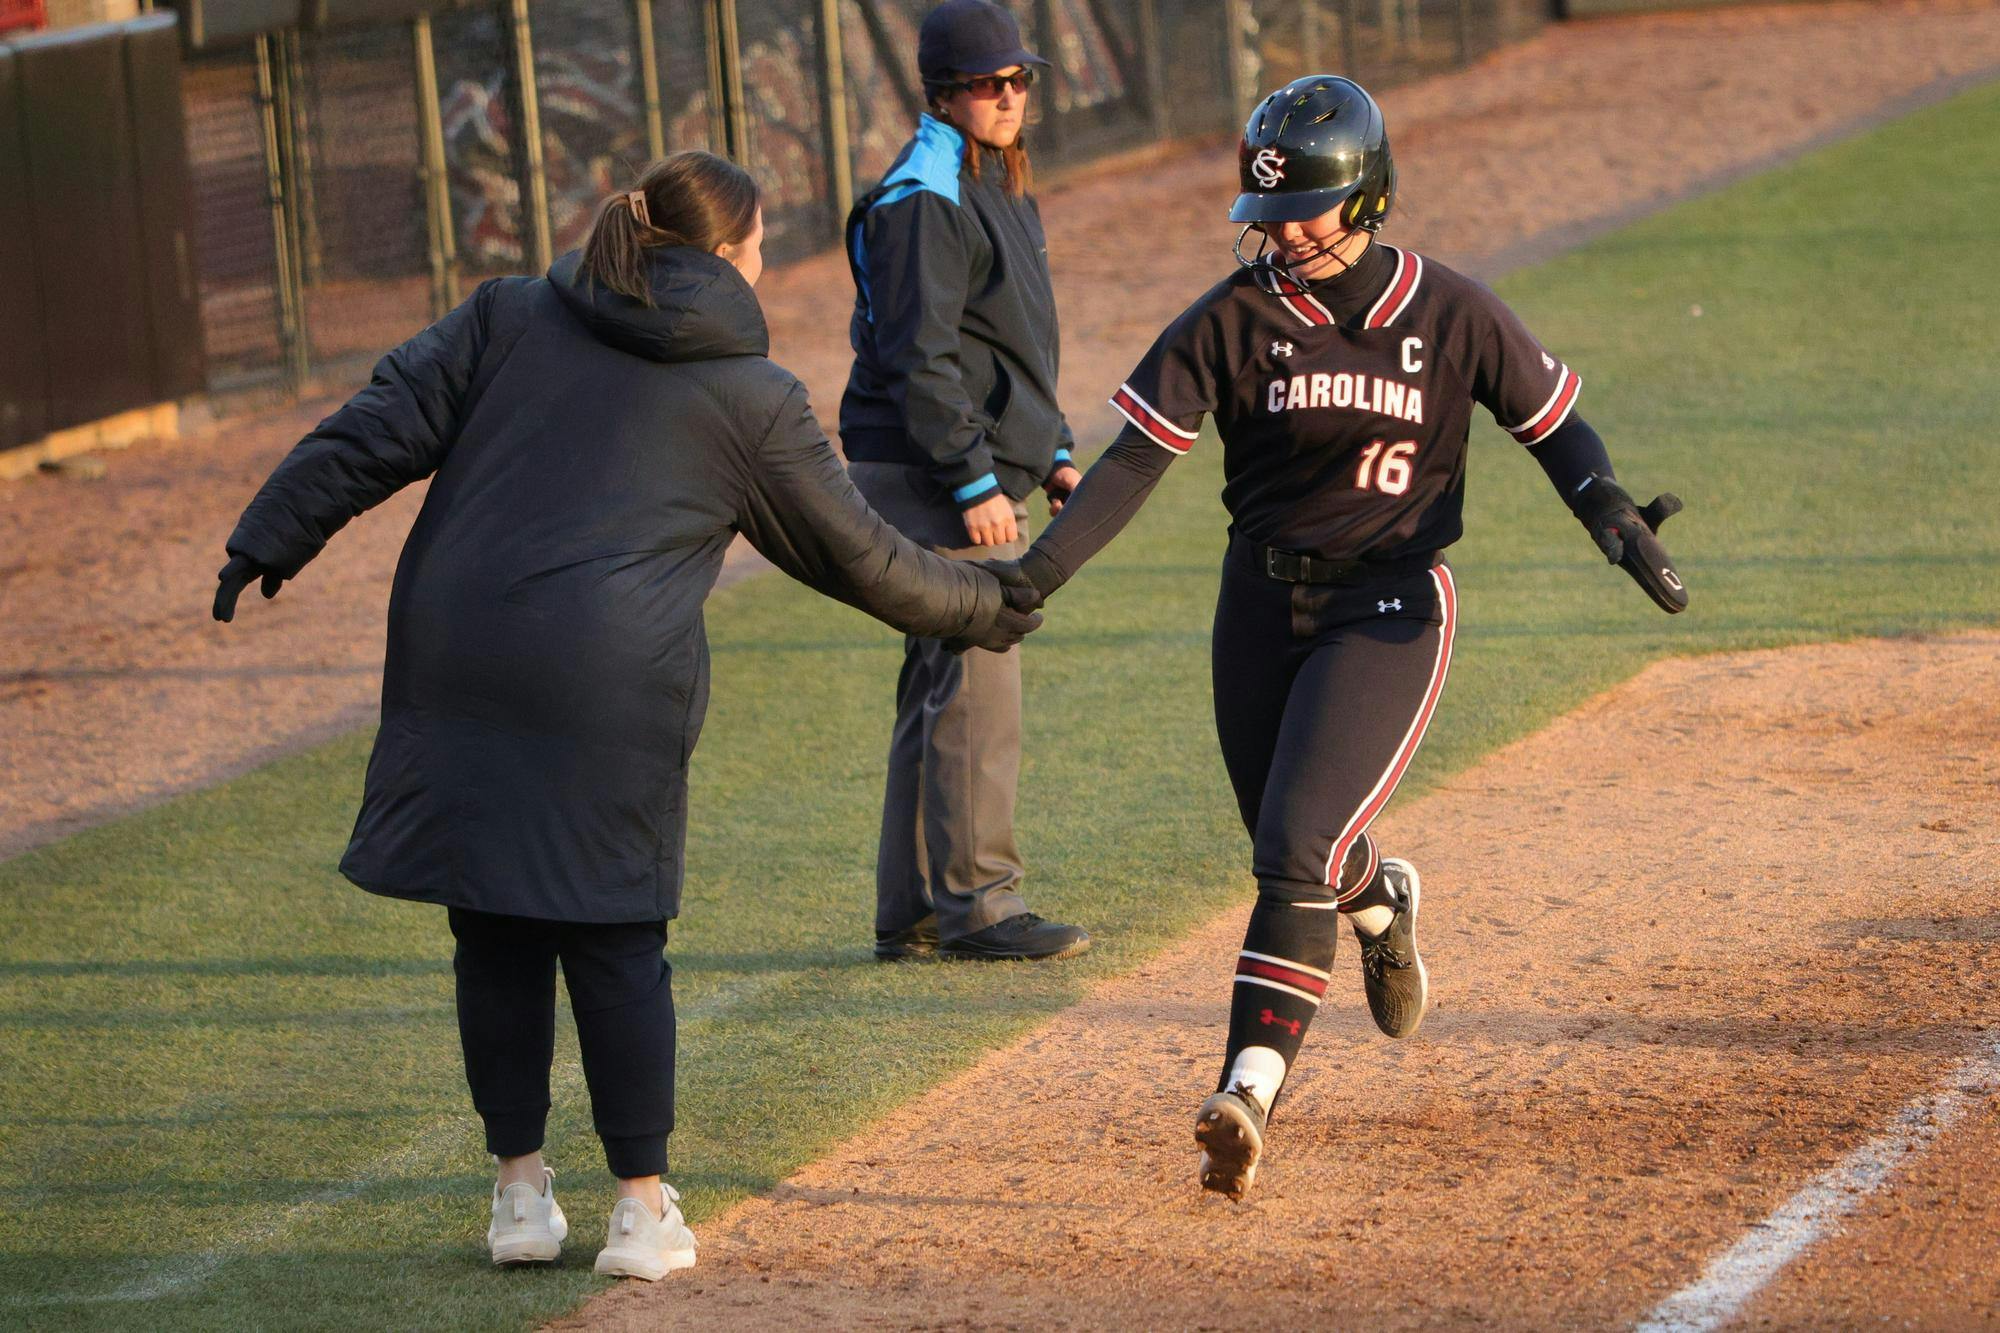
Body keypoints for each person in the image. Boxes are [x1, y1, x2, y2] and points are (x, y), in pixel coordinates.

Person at [210, 151, 1041, 1277]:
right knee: (612, 937)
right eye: (759, 247)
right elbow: (866, 562)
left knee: (493, 924)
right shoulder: (753, 398)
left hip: (455, 654)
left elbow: (376, 422)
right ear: (730, 255)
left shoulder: (511, 313)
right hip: (603, 685)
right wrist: (985, 602)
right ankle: (640, 1212)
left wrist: (271, 530)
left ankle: (517, 1198)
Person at [987, 76, 1687, 1200]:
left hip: (1389, 607)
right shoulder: (1231, 318)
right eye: (1267, 212)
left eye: (1307, 208)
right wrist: (1033, 576)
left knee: (1290, 848)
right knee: (1297, 842)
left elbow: (1551, 425)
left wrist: (1605, 506)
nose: (1282, 232)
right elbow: (1129, 462)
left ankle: (1244, 1092)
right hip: (1257, 607)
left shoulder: (1450, 310)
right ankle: (1382, 905)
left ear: (1369, 198)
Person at [839, 0, 1090, 963]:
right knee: (981, 671)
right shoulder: (924, 194)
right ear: (941, 92)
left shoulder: (992, 180)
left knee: (940, 676)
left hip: (962, 463)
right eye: (989, 83)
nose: (1009, 96)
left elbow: (1008, 339)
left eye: (1018, 79)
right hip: (927, 473)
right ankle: (979, 906)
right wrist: (976, 482)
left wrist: (1053, 447)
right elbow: (922, 361)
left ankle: (910, 910)